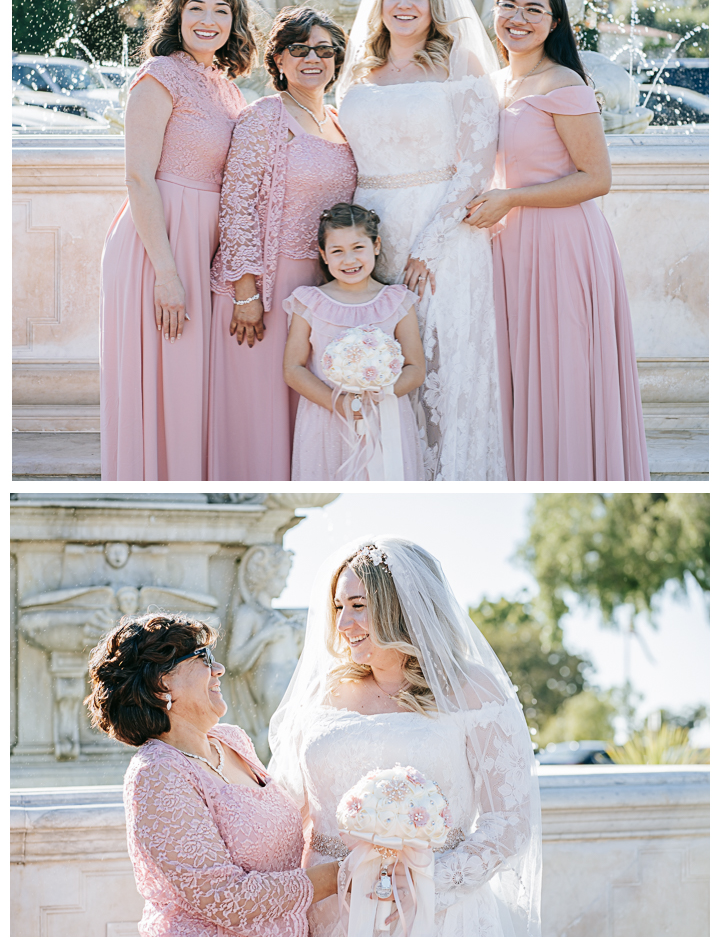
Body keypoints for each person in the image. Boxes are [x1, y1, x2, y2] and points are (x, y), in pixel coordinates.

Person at [268, 537, 541, 937]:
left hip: (437, 915)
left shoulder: (472, 691)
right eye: (339, 608)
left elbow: (510, 821)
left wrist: (425, 881)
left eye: (358, 606)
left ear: (401, 607)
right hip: (330, 911)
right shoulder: (321, 693)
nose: (344, 624)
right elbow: (285, 810)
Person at [466, 0, 650, 481]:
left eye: (533, 10)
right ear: (493, 12)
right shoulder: (494, 82)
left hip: (561, 243)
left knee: (563, 374)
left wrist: (512, 198)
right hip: (508, 245)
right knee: (521, 377)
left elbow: (597, 178)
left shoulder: (564, 83)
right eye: (509, 6)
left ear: (554, 23)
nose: (517, 19)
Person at [336, 0, 506, 481]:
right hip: (373, 240)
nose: (404, 5)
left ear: (435, 6)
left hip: (443, 238)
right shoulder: (358, 71)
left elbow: (476, 169)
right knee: (385, 367)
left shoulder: (462, 67)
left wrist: (427, 247)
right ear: (379, 3)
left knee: (442, 369)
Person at [84, 612, 341, 937]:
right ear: (163, 681)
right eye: (203, 658)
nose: (219, 669)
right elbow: (225, 898)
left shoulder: (232, 740)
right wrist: (336, 878)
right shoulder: (157, 774)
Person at [101, 0, 254, 481]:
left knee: (190, 383)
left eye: (222, 10)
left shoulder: (227, 86)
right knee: (165, 377)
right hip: (159, 243)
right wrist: (166, 273)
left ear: (235, 22)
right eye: (197, 7)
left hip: (204, 241)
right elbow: (139, 178)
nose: (209, 20)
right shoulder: (159, 76)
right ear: (178, 14)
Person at [209, 6, 357, 481]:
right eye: (299, 49)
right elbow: (237, 207)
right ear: (278, 58)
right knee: (263, 411)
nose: (312, 58)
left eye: (324, 50)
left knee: (307, 410)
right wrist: (247, 293)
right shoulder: (263, 119)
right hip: (269, 288)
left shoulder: (340, 122)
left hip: (322, 290)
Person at [283, 203, 426, 481]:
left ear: (376, 245)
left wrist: (379, 397)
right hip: (327, 416)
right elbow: (293, 368)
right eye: (337, 251)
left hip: (384, 414)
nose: (349, 260)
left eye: (358, 247)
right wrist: (340, 404)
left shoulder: (397, 301)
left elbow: (415, 367)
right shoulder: (309, 302)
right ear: (324, 255)